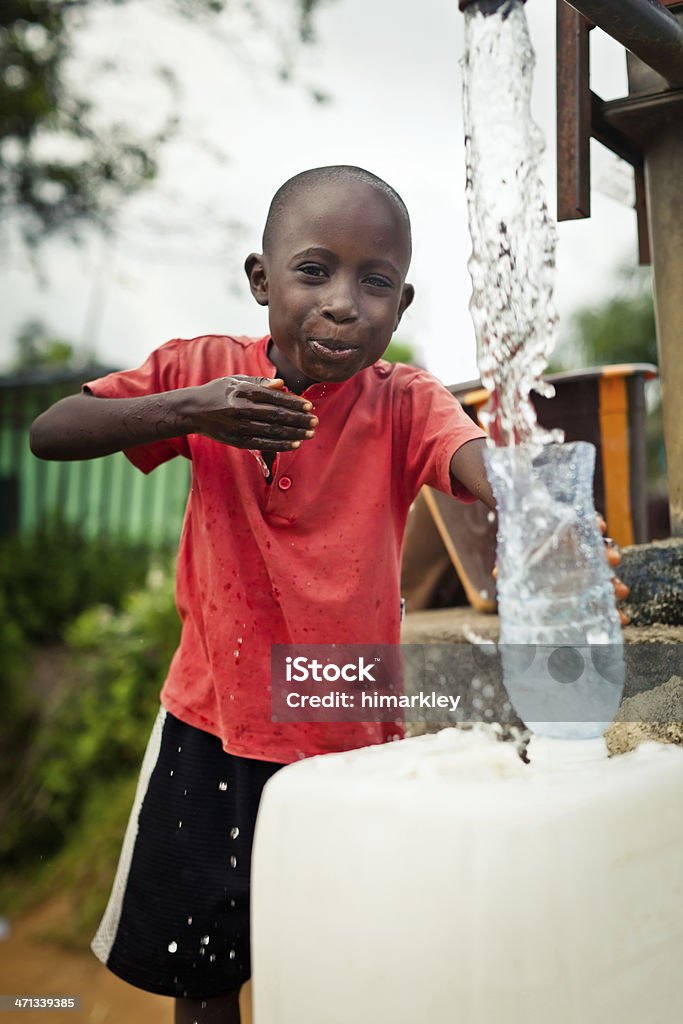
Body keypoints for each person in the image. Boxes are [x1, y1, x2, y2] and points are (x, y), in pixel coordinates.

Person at [29, 165, 624, 1024]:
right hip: (212, 725)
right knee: (203, 979)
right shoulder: (202, 373)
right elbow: (53, 431)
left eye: (374, 282)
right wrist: (190, 412)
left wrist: (546, 511)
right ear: (261, 279)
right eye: (315, 272)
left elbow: (474, 462)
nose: (345, 303)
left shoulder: (403, 402)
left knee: (350, 960)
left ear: (403, 302)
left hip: (350, 735)